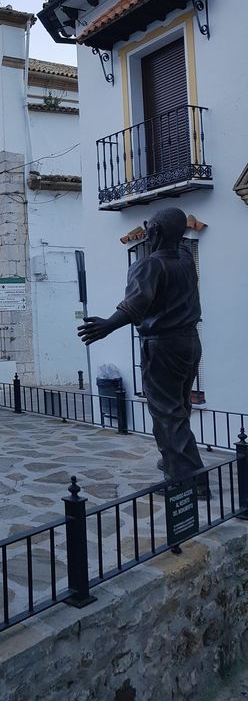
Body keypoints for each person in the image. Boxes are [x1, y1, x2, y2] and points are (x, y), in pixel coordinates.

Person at [78, 207, 208, 495]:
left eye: (150, 227)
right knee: (179, 408)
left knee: (167, 412)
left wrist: (108, 326)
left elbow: (136, 303)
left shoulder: (149, 265)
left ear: (156, 231)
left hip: (163, 345)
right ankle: (179, 463)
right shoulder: (186, 259)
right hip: (189, 342)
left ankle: (188, 481)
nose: (147, 230)